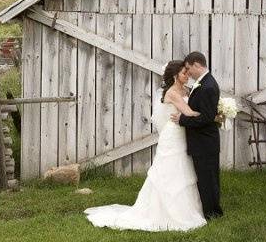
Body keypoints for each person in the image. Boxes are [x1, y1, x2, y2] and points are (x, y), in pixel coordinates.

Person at [84, 60, 207, 232]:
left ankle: (188, 209)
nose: (187, 75)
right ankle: (163, 212)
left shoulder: (186, 90)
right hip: (173, 136)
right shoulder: (172, 93)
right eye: (184, 73)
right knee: (170, 171)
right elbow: (188, 112)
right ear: (175, 75)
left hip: (183, 134)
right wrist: (212, 115)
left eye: (187, 72)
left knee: (184, 170)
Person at [170, 51, 224, 219]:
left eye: (189, 68)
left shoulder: (207, 86)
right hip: (204, 142)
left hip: (205, 142)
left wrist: (182, 120)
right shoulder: (204, 82)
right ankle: (211, 210)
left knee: (208, 179)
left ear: (197, 65)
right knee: (207, 178)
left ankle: (212, 213)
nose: (189, 73)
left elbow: (205, 118)